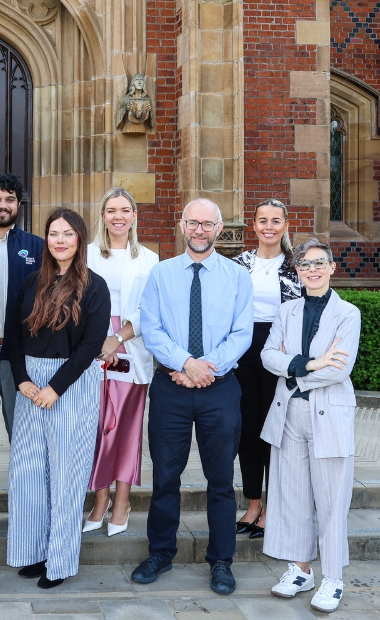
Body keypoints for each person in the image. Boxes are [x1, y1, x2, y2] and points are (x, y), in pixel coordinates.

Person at [133, 198, 253, 596]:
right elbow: (152, 330)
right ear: (182, 226)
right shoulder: (161, 274)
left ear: (219, 230)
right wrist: (186, 364)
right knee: (165, 477)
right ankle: (160, 553)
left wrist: (205, 368)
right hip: (171, 389)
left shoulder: (238, 278)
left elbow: (242, 334)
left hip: (219, 390)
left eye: (207, 224)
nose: (199, 230)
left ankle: (221, 561)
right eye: (193, 223)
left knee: (220, 480)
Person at [7, 207, 110, 589]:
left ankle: (61, 560)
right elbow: (13, 335)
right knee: (29, 472)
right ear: (46, 239)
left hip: (72, 383)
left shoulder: (94, 286)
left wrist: (56, 387)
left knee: (67, 475)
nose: (60, 240)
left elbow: (90, 346)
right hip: (31, 384)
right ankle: (33, 550)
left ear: (80, 239)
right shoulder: (32, 280)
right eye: (53, 233)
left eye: (68, 233)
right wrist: (21, 379)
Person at [260, 238, 360, 613]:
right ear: (297, 271)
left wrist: (295, 370)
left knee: (332, 501)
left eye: (320, 263)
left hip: (329, 415)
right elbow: (268, 355)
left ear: (332, 268)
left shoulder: (348, 314)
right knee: (294, 497)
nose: (313, 270)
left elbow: (340, 368)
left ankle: (332, 577)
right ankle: (301, 570)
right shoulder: (287, 311)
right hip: (288, 416)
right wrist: (311, 363)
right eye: (305, 265)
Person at [84, 188, 159, 536]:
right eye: (111, 209)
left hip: (132, 348)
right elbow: (77, 302)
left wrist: (118, 338)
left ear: (133, 216)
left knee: (126, 431)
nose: (118, 216)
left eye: (125, 209)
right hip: (92, 349)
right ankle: (99, 500)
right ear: (102, 215)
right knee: (96, 429)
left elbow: (151, 309)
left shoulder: (149, 259)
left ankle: (123, 501)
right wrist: (101, 340)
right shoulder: (86, 256)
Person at [0, 173, 43, 527]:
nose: (3, 205)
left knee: (25, 436)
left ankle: (25, 502)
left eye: (10, 199)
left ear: (19, 205)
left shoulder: (36, 247)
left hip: (21, 360)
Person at [232, 198, 302, 539]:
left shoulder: (298, 265)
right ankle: (253, 504)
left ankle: (274, 508)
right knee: (248, 428)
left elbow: (309, 312)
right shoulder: (239, 264)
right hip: (244, 349)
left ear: (285, 225)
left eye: (276, 221)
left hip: (280, 351)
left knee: (275, 430)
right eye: (263, 220)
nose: (269, 227)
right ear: (254, 225)